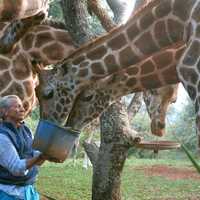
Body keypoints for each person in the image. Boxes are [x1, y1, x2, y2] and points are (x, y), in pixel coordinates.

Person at [0, 95, 48, 200]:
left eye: (21, 106)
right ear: (5, 112)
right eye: (17, 106)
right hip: (9, 193)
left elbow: (36, 159)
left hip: (28, 191)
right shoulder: (2, 136)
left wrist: (46, 154)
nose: (23, 109)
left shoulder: (27, 131)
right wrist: (41, 156)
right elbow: (16, 168)